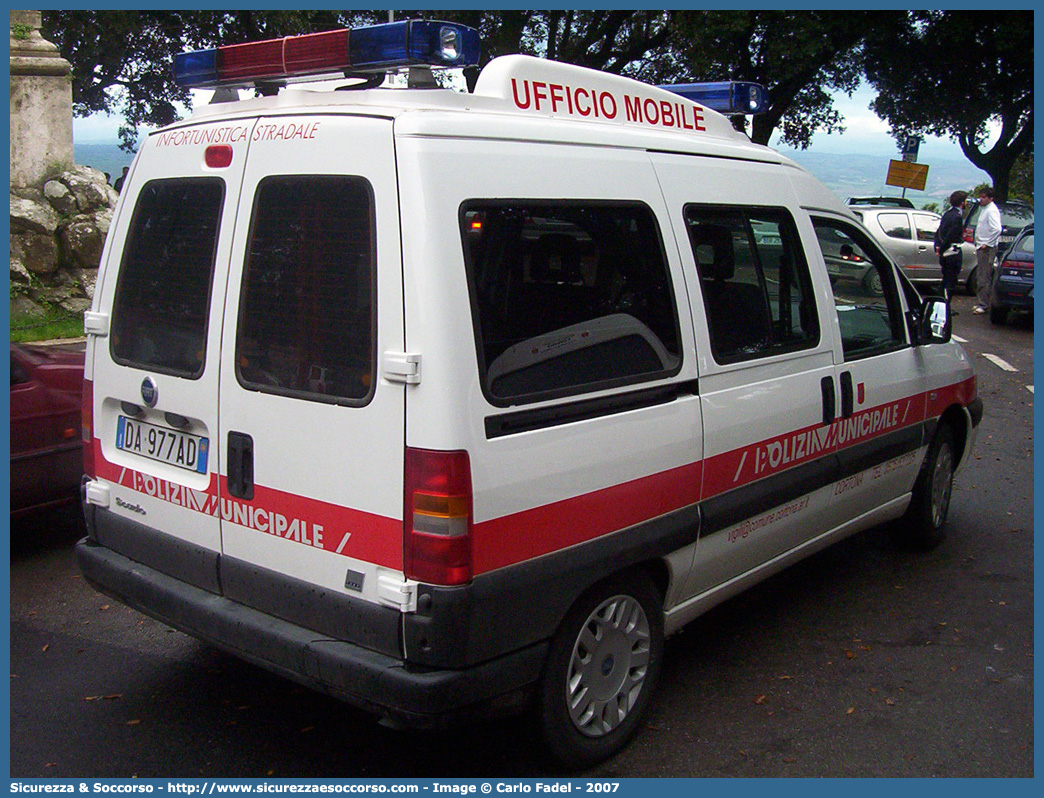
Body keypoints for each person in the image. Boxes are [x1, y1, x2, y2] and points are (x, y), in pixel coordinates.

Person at [934, 190, 967, 303]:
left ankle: (941, 301)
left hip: (945, 251)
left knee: (945, 278)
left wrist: (937, 246)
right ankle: (946, 304)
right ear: (962, 202)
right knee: (951, 280)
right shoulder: (957, 217)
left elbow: (939, 231)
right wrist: (943, 248)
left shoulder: (947, 214)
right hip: (952, 252)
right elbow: (950, 235)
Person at [973, 186, 1002, 314]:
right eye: (981, 196)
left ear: (991, 198)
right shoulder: (985, 209)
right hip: (982, 246)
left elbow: (997, 229)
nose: (981, 199)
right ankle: (982, 302)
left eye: (984, 197)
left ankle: (983, 304)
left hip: (986, 248)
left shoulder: (991, 210)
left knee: (983, 275)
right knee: (982, 274)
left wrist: (987, 243)